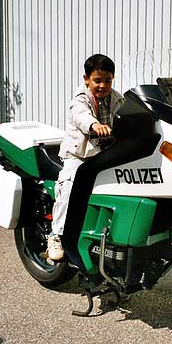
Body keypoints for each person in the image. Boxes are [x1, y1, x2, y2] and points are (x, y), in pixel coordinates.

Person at [47, 54, 124, 261]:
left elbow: (128, 114)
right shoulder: (81, 99)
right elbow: (80, 115)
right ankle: (57, 235)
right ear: (86, 79)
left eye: (107, 80)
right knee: (70, 185)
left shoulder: (117, 98)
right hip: (79, 156)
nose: (102, 85)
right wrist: (94, 125)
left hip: (106, 155)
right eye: (97, 80)